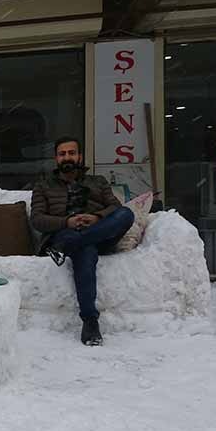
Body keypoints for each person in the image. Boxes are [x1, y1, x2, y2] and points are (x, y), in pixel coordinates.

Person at [30, 136, 135, 346]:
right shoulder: (43, 186)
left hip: (99, 231)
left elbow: (114, 207)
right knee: (85, 251)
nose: (67, 157)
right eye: (62, 154)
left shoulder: (98, 182)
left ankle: (66, 247)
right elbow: (38, 220)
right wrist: (67, 221)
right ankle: (90, 322)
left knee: (126, 214)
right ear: (56, 159)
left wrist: (96, 218)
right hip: (65, 233)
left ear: (80, 156)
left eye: (71, 153)